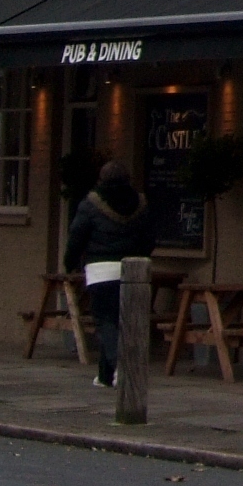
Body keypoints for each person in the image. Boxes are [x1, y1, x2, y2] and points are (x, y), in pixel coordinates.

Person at [63, 160, 156, 389]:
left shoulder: (91, 204)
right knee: (123, 322)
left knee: (106, 322)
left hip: (101, 270)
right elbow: (150, 238)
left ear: (101, 179)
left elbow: (76, 237)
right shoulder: (141, 203)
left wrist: (70, 264)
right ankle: (105, 376)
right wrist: (139, 258)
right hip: (133, 271)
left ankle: (119, 367)